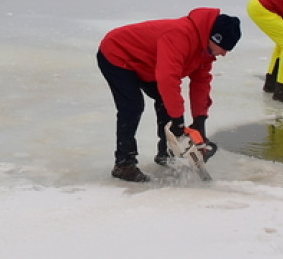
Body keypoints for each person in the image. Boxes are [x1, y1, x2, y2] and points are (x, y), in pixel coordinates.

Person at [97, 9, 242, 182]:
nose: (224, 54)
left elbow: (201, 84)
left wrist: (199, 121)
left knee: (166, 102)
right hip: (117, 53)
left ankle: (166, 153)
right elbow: (168, 79)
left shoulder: (205, 51)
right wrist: (178, 120)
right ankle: (124, 164)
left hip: (149, 63)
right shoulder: (179, 36)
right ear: (214, 38)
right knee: (132, 106)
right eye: (224, 48)